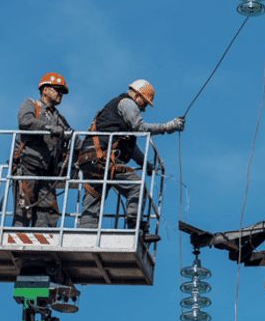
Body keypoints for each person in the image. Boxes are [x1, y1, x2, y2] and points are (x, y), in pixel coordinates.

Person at [75, 79, 184, 239]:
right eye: (145, 103)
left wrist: (145, 164)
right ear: (138, 96)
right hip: (102, 158)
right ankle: (136, 229)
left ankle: (85, 235)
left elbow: (130, 148)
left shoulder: (116, 117)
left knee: (93, 198)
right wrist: (167, 127)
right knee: (136, 187)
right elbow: (141, 127)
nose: (144, 108)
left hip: (88, 159)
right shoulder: (127, 103)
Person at [12, 73, 74, 228]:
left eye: (62, 91)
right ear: (45, 90)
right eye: (57, 89)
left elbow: (74, 138)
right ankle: (19, 247)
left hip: (46, 173)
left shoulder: (59, 119)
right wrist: (48, 128)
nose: (60, 94)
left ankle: (41, 249)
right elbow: (25, 121)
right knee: (24, 212)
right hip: (27, 167)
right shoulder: (31, 104)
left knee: (49, 215)